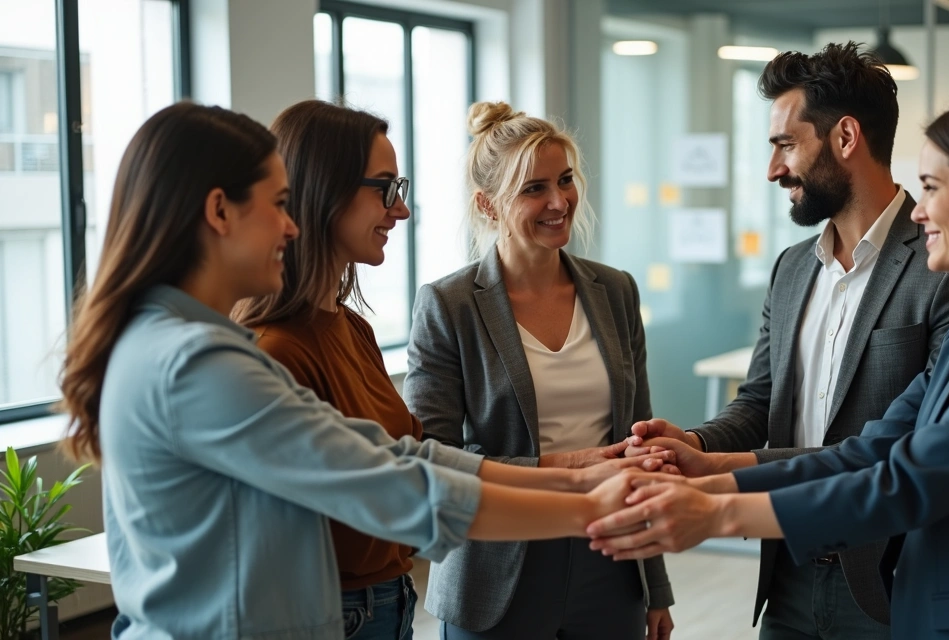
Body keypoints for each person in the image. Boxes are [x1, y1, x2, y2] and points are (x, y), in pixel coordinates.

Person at [57, 102, 668, 640]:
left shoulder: (175, 342)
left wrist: (580, 480)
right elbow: (384, 484)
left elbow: (400, 457)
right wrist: (589, 505)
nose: (291, 225)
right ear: (219, 211)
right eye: (277, 205)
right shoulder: (195, 363)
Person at [591, 93, 949, 640]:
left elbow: (908, 481)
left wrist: (716, 516)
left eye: (931, 187)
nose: (919, 209)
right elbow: (867, 451)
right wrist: (710, 479)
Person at [625, 43, 949, 638]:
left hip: (889, 579)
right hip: (785, 566)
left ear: (845, 138)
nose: (773, 170)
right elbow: (759, 402)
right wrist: (690, 443)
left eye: (786, 145)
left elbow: (909, 450)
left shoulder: (945, 270)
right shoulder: (791, 269)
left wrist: (715, 474)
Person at [402, 101, 675, 640]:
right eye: (534, 189)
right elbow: (432, 457)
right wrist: (567, 467)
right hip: (494, 571)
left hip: (611, 560)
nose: (559, 202)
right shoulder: (448, 304)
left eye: (566, 180)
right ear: (488, 205)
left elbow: (640, 446)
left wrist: (656, 584)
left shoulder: (615, 290)